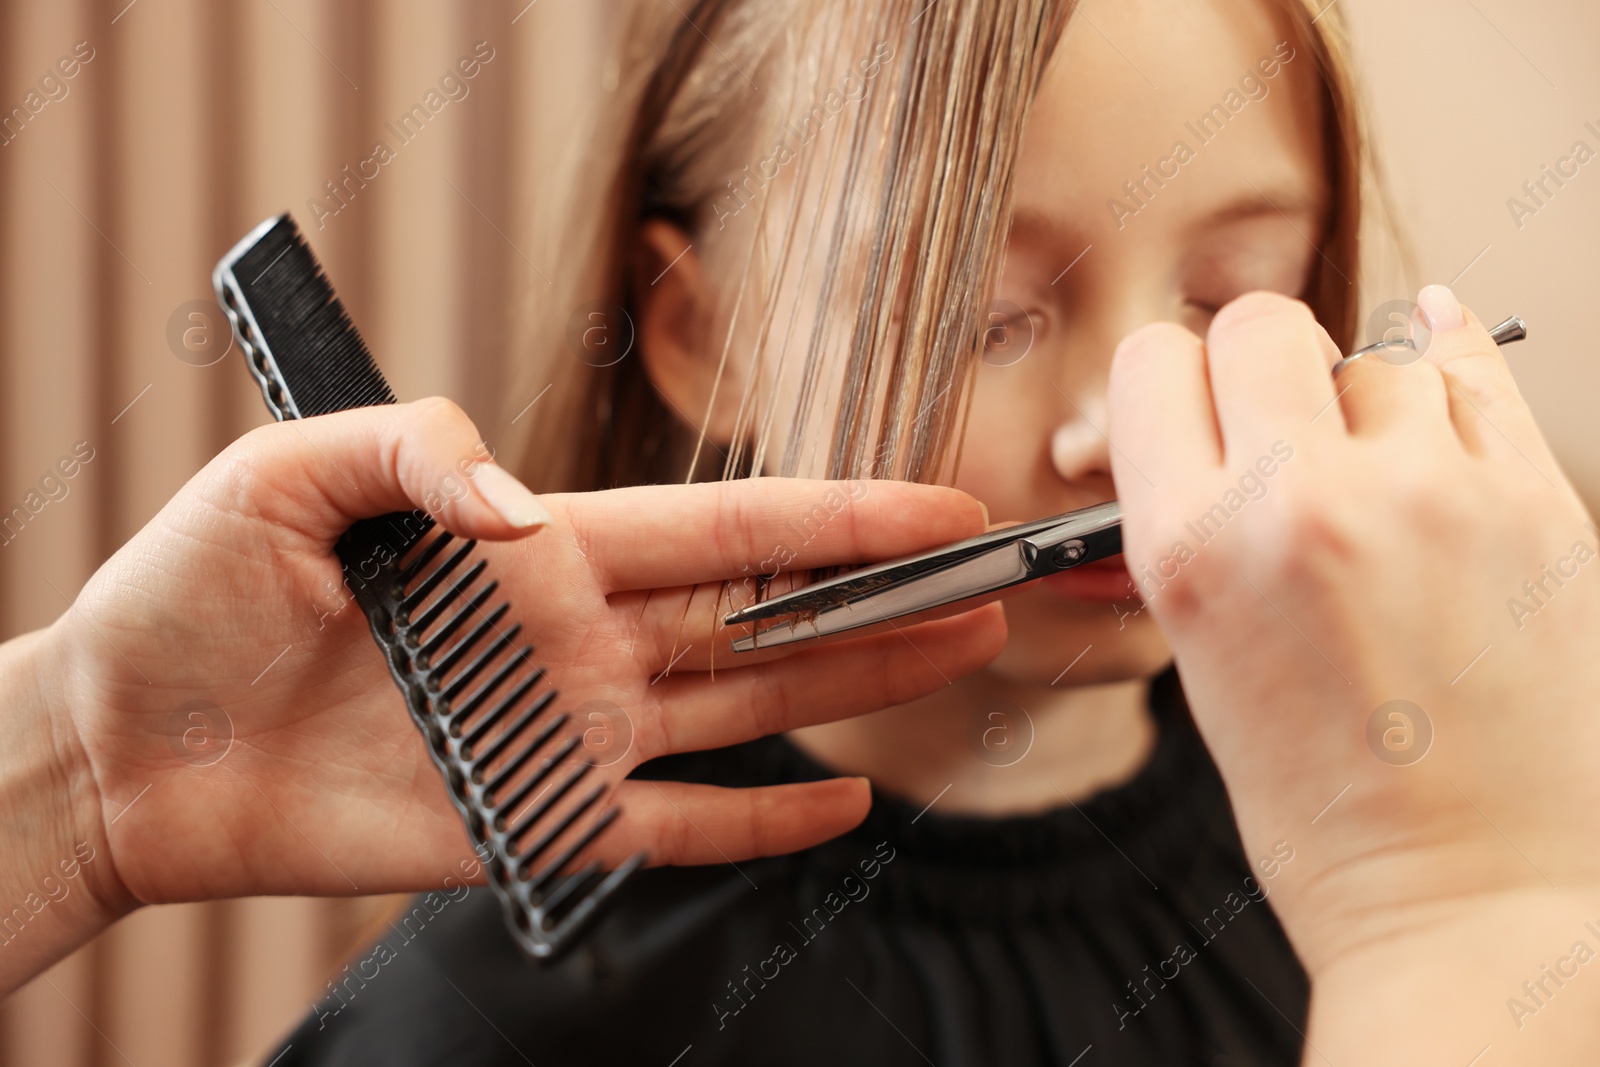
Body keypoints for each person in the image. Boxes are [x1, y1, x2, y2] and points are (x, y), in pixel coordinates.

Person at [0, 5, 1595, 1067]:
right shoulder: (526, 1010)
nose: (1128, 421)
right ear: (698, 335)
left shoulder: (1419, 819)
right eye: (988, 317)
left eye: (1230, 286)